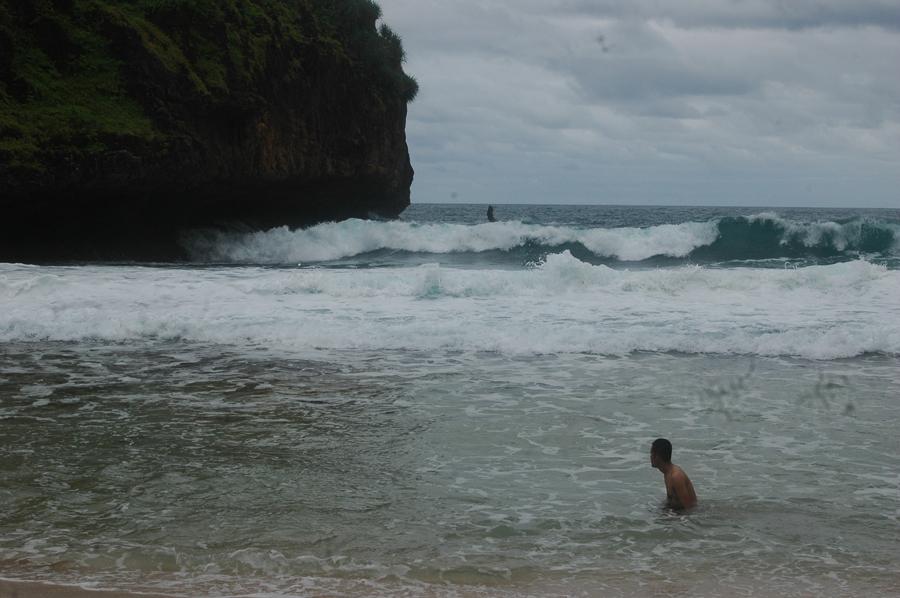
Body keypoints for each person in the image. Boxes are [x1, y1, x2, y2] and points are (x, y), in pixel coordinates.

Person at [650, 438, 698, 510]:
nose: (650, 457)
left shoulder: (676, 477)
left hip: (695, 512)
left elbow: (689, 509)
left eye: (651, 454)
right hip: (679, 510)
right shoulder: (667, 474)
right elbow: (669, 501)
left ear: (657, 458)